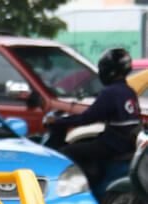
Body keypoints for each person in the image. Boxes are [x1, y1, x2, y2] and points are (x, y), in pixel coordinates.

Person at [44, 48, 142, 189]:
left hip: (113, 144)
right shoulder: (128, 91)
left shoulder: (110, 92)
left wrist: (59, 121)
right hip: (125, 142)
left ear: (110, 70)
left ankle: (79, 188)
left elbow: (87, 118)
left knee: (66, 152)